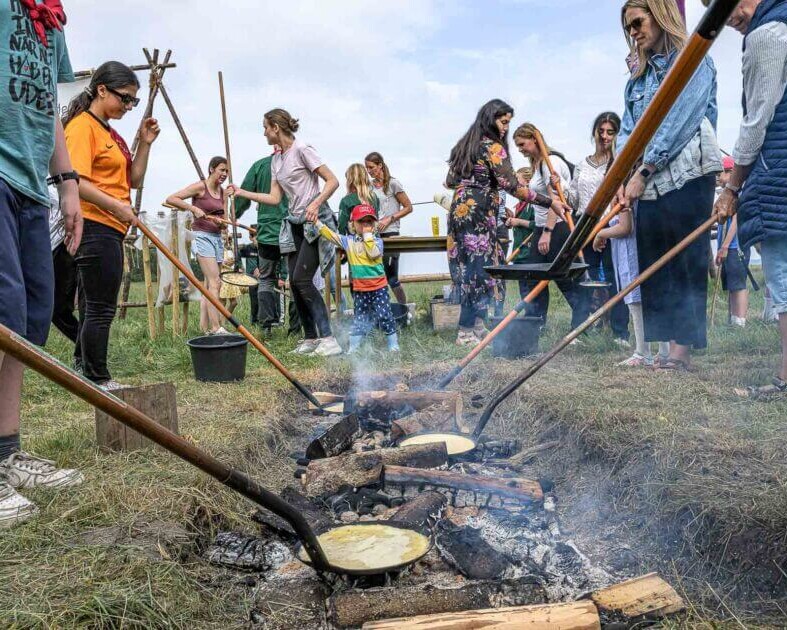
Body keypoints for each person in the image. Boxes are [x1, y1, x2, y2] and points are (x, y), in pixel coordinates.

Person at [0, 0, 84, 528]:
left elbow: (49, 108)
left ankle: (7, 452)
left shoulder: (47, 19)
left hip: (33, 185)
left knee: (32, 320)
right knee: (3, 312)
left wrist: (67, 182)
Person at [618, 0, 722, 371]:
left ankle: (681, 352)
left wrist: (643, 169)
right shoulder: (638, 79)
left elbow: (678, 122)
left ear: (660, 15)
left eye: (638, 22)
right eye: (629, 27)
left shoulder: (694, 60)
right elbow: (629, 131)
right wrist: (622, 173)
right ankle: (666, 349)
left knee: (683, 259)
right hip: (646, 179)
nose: (634, 32)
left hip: (687, 174)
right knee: (655, 260)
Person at [63, 62, 160, 389]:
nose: (130, 106)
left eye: (133, 101)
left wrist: (144, 143)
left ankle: (86, 367)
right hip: (93, 224)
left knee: (94, 305)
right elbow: (75, 181)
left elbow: (133, 179)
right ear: (101, 89)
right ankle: (98, 378)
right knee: (101, 308)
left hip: (110, 225)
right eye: (125, 98)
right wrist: (118, 208)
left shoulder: (111, 134)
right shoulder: (81, 127)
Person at [445, 100, 571, 347]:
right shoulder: (492, 147)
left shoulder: (466, 146)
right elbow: (512, 186)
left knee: (472, 268)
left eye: (508, 122)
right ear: (490, 119)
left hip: (460, 211)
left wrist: (473, 183)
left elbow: (450, 181)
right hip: (479, 214)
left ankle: (478, 326)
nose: (505, 128)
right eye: (503, 122)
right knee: (477, 271)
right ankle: (465, 331)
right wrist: (551, 202)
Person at [710, 0, 787, 395]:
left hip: (778, 175)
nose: (730, 20)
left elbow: (758, 119)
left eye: (728, 7)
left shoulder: (766, 35)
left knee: (784, 280)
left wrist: (732, 186)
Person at [228, 108, 342, 357]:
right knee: (293, 282)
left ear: (276, 128)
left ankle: (329, 339)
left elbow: (332, 181)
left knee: (303, 280)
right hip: (294, 224)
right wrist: (241, 192)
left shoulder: (302, 150)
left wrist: (315, 203)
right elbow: (274, 197)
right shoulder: (277, 160)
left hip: (314, 222)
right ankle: (311, 338)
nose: (264, 132)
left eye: (265, 127)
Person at [513, 123, 589, 331]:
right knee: (533, 276)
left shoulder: (550, 162)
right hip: (541, 228)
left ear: (535, 140)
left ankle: (583, 324)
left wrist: (547, 232)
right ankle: (535, 323)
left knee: (563, 278)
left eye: (522, 144)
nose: (520, 149)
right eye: (517, 146)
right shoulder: (537, 164)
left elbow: (555, 199)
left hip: (557, 227)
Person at [568, 112, 631, 344]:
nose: (604, 136)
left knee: (615, 280)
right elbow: (573, 200)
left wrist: (605, 229)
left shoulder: (620, 164)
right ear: (594, 132)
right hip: (586, 227)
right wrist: (561, 190)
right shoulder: (582, 165)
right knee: (584, 280)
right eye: (601, 131)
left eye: (610, 132)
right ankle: (577, 331)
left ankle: (620, 333)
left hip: (612, 226)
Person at [235, 149, 301, 336]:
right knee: (294, 279)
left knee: (265, 279)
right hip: (291, 229)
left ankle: (266, 328)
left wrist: (235, 214)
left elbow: (243, 196)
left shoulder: (260, 165)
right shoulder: (294, 165)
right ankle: (295, 330)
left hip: (267, 232)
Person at [316, 204, 399, 353]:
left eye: (369, 222)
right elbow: (332, 236)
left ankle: (393, 345)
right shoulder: (349, 241)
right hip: (361, 289)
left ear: (374, 224)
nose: (366, 225)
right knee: (360, 318)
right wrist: (317, 223)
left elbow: (373, 253)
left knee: (385, 315)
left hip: (379, 288)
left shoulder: (377, 241)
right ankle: (353, 349)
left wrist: (367, 237)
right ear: (352, 224)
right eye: (361, 222)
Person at [166, 156, 229, 334]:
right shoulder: (200, 187)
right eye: (221, 170)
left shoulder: (223, 193)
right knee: (214, 282)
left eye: (227, 171)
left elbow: (224, 220)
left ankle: (204, 328)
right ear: (211, 169)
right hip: (202, 236)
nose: (224, 174)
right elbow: (172, 198)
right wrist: (193, 209)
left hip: (217, 238)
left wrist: (222, 223)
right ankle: (217, 328)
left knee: (210, 286)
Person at [365, 152, 413, 305]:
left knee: (392, 277)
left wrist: (390, 218)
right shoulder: (369, 186)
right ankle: (383, 312)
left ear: (380, 165)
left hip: (391, 233)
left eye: (371, 167)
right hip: (374, 235)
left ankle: (404, 310)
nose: (369, 171)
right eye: (367, 168)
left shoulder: (393, 184)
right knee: (377, 277)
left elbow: (408, 207)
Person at [714, 156, 750, 327]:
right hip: (727, 247)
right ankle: (733, 319)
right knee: (730, 284)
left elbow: (736, 221)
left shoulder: (738, 194)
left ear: (730, 173)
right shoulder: (723, 197)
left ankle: (740, 321)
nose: (717, 178)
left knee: (738, 284)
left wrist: (726, 246)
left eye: (719, 173)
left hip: (736, 246)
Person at [49, 186, 80, 354]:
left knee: (59, 310)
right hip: (52, 247)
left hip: (65, 245)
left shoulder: (62, 188)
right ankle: (85, 352)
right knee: (58, 310)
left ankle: (86, 353)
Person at [506, 167, 536, 296]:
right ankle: (528, 314)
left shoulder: (535, 203)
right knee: (523, 290)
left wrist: (518, 222)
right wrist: (511, 220)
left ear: (528, 182)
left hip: (529, 253)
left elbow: (539, 225)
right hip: (519, 253)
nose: (515, 184)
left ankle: (536, 315)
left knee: (532, 289)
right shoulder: (520, 204)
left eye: (517, 180)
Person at [238, 238, 260, 325]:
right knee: (254, 301)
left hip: (263, 278)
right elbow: (238, 255)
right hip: (251, 278)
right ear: (251, 238)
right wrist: (239, 266)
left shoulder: (263, 248)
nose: (257, 241)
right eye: (256, 238)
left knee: (263, 299)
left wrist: (261, 269)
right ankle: (254, 321)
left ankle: (263, 321)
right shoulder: (247, 248)